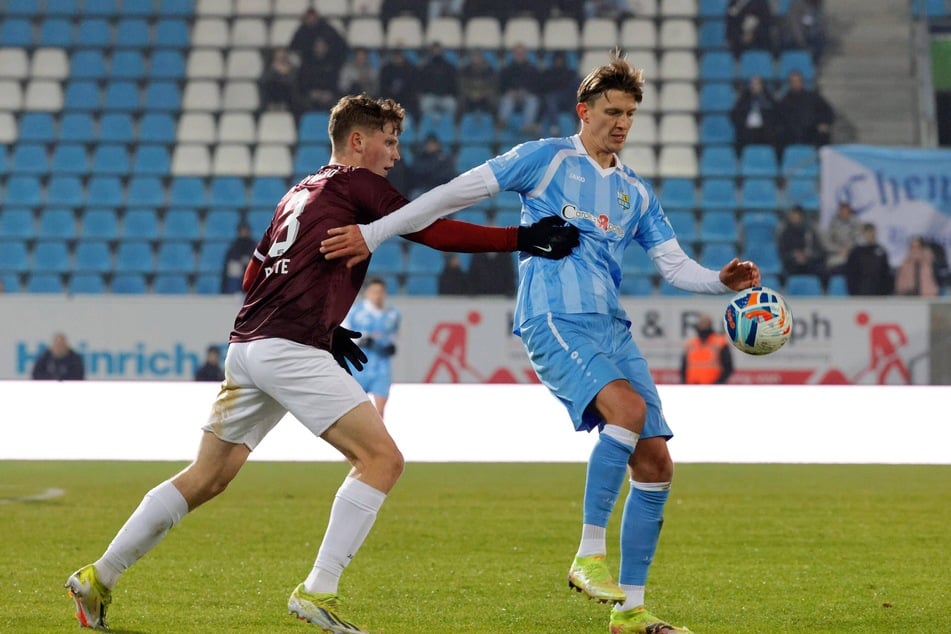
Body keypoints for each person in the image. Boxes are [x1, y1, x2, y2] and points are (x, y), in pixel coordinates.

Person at [64, 94, 578, 633]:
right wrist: (522, 238)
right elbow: (426, 227)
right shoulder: (356, 183)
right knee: (381, 460)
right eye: (388, 141)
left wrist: (325, 326)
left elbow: (252, 277)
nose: (395, 155)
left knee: (207, 477)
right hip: (289, 348)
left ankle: (100, 575)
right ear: (357, 141)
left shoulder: (297, 192)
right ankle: (317, 590)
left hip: (247, 347)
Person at [319, 52, 760, 634]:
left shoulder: (634, 191)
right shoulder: (545, 159)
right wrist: (374, 232)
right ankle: (588, 553)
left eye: (630, 114)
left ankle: (631, 611)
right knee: (627, 411)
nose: (622, 123)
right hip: (552, 316)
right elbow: (452, 194)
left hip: (611, 326)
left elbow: (674, 265)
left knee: (656, 463)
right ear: (584, 111)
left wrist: (720, 281)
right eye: (612, 112)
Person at [343, 278, 400, 417]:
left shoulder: (393, 314)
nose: (377, 295)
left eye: (380, 291)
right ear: (367, 293)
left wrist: (392, 346)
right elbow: (343, 336)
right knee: (355, 410)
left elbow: (394, 336)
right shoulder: (354, 312)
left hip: (381, 367)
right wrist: (360, 341)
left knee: (380, 411)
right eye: (374, 291)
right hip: (358, 367)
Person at [776, 70, 834, 149]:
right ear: (789, 83)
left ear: (802, 82)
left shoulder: (813, 97)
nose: (795, 83)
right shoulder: (783, 101)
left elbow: (827, 111)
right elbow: (779, 119)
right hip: (791, 133)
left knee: (823, 134)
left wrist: (824, 122)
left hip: (811, 130)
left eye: (798, 81)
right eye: (793, 81)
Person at [497, 43, 542, 135]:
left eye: (521, 53)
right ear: (513, 54)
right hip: (511, 95)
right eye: (517, 54)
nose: (519, 56)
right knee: (507, 100)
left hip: (527, 95)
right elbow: (502, 86)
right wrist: (509, 91)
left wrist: (525, 92)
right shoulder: (507, 70)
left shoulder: (532, 70)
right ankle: (502, 122)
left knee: (532, 101)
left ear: (525, 54)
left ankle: (528, 125)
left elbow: (537, 86)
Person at [777, 205, 825, 285]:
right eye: (793, 217)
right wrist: (795, 256)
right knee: (783, 273)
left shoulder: (810, 232)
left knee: (822, 271)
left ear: (802, 217)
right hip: (792, 263)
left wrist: (807, 256)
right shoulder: (785, 233)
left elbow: (818, 250)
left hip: (809, 262)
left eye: (797, 216)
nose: (795, 219)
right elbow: (783, 252)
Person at [729, 74, 780, 150]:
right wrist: (742, 124)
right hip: (747, 130)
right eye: (752, 84)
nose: (754, 86)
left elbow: (776, 114)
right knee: (740, 139)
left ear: (762, 86)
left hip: (764, 130)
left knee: (775, 137)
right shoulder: (744, 98)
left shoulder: (768, 98)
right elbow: (734, 114)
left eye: (757, 84)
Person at [680, 314, 734, 385]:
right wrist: (684, 382)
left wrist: (718, 382)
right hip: (692, 386)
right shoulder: (691, 343)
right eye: (701, 322)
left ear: (710, 324)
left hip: (712, 386)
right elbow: (683, 367)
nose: (703, 325)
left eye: (705, 322)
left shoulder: (720, 342)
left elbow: (728, 367)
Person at [538, 51, 581, 136]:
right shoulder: (548, 73)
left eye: (560, 60)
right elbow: (542, 88)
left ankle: (576, 125)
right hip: (551, 101)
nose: (558, 62)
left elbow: (576, 89)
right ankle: (554, 127)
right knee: (551, 99)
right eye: (557, 60)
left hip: (568, 100)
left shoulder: (571, 74)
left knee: (553, 99)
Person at [845, 223, 893, 296]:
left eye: (873, 232)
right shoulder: (856, 252)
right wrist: (853, 292)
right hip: (860, 291)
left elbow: (886, 273)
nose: (871, 235)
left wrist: (884, 292)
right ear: (863, 234)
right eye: (868, 232)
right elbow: (850, 273)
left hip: (878, 292)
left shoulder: (881, 251)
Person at [415, 42, 458, 121]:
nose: (437, 52)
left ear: (442, 51)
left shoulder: (449, 67)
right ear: (431, 51)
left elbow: (453, 83)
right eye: (435, 50)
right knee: (424, 105)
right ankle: (430, 123)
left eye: (438, 50)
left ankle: (447, 124)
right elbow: (421, 82)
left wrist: (452, 93)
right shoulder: (426, 67)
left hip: (445, 97)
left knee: (452, 105)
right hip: (431, 96)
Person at [298, 37, 342, 113]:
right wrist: (313, 93)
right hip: (311, 95)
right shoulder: (307, 64)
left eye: (322, 46)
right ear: (314, 48)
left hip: (329, 95)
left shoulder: (333, 64)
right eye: (318, 46)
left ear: (326, 48)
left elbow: (336, 82)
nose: (320, 49)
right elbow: (303, 82)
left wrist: (329, 93)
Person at [821, 201, 863, 278]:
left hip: (852, 253)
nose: (844, 213)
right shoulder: (833, 223)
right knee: (829, 267)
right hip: (837, 254)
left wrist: (850, 250)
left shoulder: (856, 222)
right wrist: (838, 250)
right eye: (842, 211)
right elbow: (827, 242)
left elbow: (860, 239)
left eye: (846, 211)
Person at [408, 133, 456, 198]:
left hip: (440, 188)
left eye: (433, 144)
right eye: (428, 144)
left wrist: (429, 172)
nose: (430, 146)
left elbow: (447, 175)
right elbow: (416, 172)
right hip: (423, 188)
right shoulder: (419, 157)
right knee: (415, 195)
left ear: (438, 145)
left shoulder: (445, 158)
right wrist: (433, 170)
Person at [457, 49, 499, 119]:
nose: (476, 58)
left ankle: (496, 122)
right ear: (470, 58)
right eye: (474, 56)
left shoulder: (489, 70)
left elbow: (492, 86)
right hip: (469, 96)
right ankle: (457, 123)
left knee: (493, 99)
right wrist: (471, 93)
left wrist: (481, 93)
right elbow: (462, 85)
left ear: (482, 57)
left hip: (484, 96)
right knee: (461, 99)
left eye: (478, 56)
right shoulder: (465, 70)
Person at [258, 47, 301, 115]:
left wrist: (286, 73)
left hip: (289, 102)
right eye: (279, 52)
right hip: (271, 101)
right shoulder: (269, 68)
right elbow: (263, 81)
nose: (281, 55)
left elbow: (293, 83)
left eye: (283, 52)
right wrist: (274, 70)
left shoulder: (293, 69)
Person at [220, 222, 257, 294]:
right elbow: (229, 260)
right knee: (234, 268)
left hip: (250, 271)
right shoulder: (234, 245)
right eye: (242, 231)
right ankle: (233, 293)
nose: (243, 233)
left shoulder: (254, 245)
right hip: (237, 273)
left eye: (245, 231)